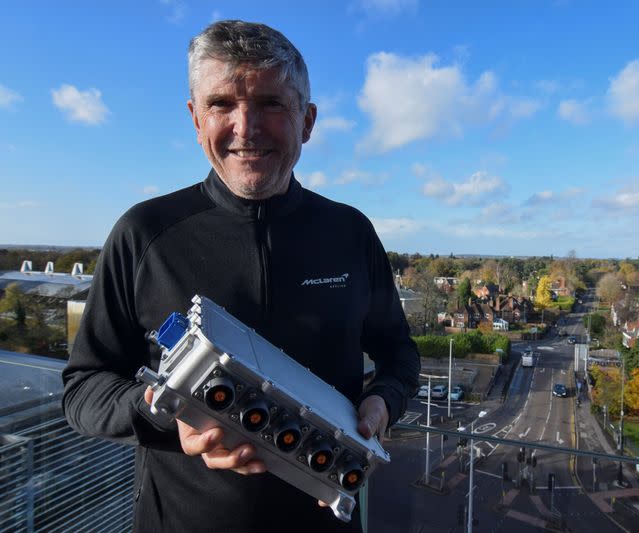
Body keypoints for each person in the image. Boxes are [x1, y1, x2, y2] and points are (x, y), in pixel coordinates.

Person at [62, 20, 420, 532]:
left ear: (308, 121)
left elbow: (399, 352)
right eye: (221, 104)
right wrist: (162, 410)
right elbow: (83, 389)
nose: (246, 128)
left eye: (272, 103)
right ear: (195, 118)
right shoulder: (144, 235)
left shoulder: (350, 233)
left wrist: (384, 401)